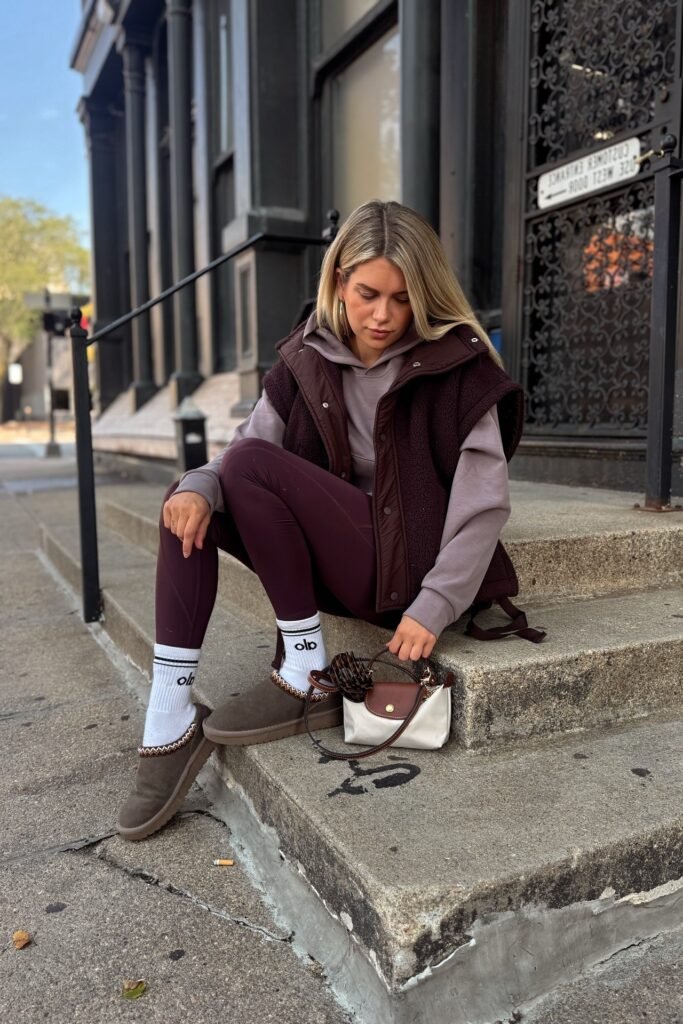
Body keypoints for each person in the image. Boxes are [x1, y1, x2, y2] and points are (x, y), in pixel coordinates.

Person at [118, 199, 530, 842]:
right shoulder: (305, 359)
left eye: (401, 298)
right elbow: (245, 451)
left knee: (247, 467)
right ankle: (168, 716)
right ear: (339, 280)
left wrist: (436, 604)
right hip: (335, 561)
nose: (383, 316)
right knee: (191, 495)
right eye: (367, 293)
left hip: (408, 571)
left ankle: (306, 669)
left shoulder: (458, 369)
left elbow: (484, 505)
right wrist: (198, 485)